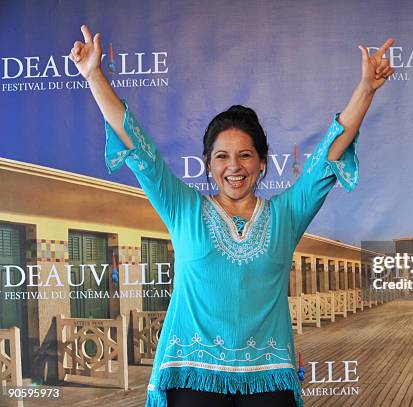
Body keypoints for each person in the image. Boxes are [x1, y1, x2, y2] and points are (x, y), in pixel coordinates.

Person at [69, 24, 394, 407]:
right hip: (191, 373)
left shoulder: (286, 214)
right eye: (222, 156)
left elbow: (330, 153)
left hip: (267, 374)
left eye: (245, 155)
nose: (234, 166)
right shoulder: (183, 208)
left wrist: (366, 90)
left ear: (261, 164)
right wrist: (94, 75)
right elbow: (136, 145)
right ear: (208, 165)